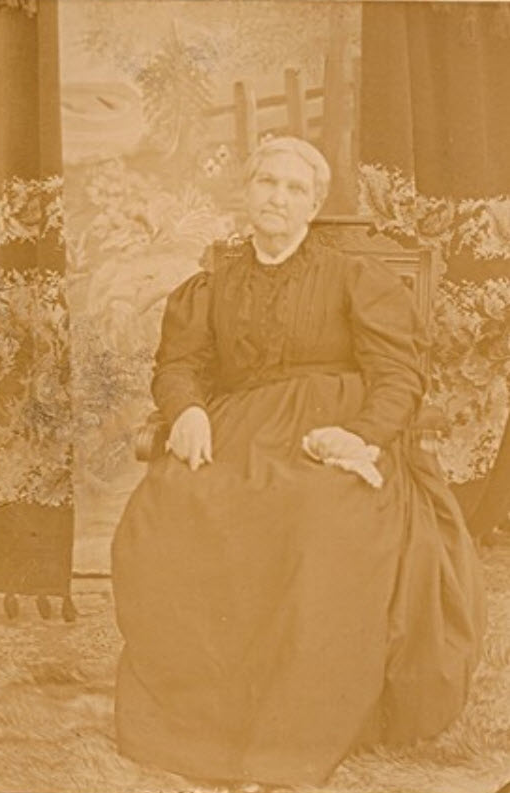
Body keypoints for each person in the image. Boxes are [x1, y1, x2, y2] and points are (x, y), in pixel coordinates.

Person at [111, 137, 486, 790]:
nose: (278, 198)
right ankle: (209, 718)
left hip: (334, 428)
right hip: (239, 431)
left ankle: (293, 731)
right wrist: (187, 410)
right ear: (246, 192)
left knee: (319, 514)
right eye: (267, 183)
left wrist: (362, 437)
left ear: (313, 206)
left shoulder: (353, 279)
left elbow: (397, 374)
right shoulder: (212, 288)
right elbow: (179, 365)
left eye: (294, 189)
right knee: (174, 506)